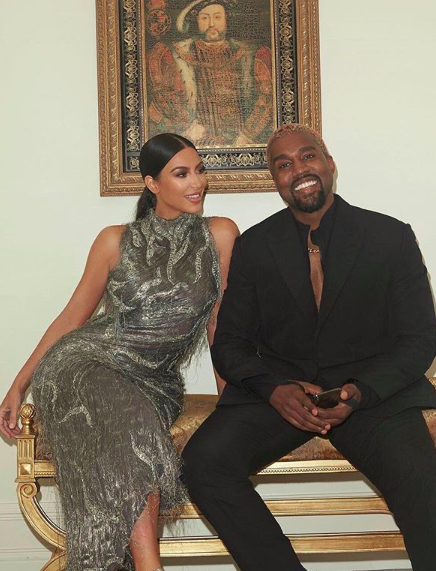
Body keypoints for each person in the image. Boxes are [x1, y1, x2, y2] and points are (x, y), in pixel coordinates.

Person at [182, 123, 436, 571]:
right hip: (282, 396)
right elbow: (230, 343)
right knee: (202, 464)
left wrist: (360, 392)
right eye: (283, 165)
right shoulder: (255, 246)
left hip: (371, 396)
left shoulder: (390, 236)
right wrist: (273, 388)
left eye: (307, 156)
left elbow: (420, 340)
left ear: (329, 163)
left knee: (422, 481)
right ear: (275, 180)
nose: (298, 169)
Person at [0, 133, 238, 571]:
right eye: (181, 174)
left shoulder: (220, 234)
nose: (197, 183)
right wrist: (19, 385)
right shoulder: (115, 240)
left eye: (200, 171)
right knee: (136, 431)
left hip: (155, 381)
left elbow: (218, 324)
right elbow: (71, 319)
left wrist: (231, 400)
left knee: (135, 435)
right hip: (82, 365)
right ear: (152, 183)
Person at [147, 0, 273, 146]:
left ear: (226, 19)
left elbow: (267, 98)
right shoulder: (176, 53)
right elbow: (162, 94)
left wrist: (246, 136)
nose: (211, 24)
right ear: (196, 20)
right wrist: (188, 125)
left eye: (217, 17)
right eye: (205, 18)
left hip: (241, 140)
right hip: (195, 140)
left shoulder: (250, 54)